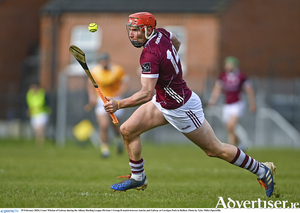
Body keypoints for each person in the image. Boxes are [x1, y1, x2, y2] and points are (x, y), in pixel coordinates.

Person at [103, 12, 276, 197]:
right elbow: (176, 42)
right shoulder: (162, 33)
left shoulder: (149, 55)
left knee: (214, 149)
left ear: (147, 30)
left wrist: (118, 104)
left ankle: (261, 169)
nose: (131, 34)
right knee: (127, 130)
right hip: (163, 102)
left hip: (182, 108)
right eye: (130, 30)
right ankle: (138, 177)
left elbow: (146, 93)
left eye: (136, 30)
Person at [84, 53, 129, 158]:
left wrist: (120, 93)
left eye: (105, 60)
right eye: (102, 61)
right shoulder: (95, 71)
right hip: (101, 100)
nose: (104, 63)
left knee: (115, 125)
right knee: (103, 125)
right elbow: (90, 85)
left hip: (115, 99)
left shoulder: (117, 69)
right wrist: (92, 97)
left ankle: (118, 140)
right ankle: (105, 150)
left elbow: (125, 82)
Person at [208, 56, 256, 150]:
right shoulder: (223, 75)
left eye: (230, 64)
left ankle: (232, 148)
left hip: (237, 104)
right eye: (227, 64)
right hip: (226, 105)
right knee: (229, 129)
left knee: (231, 125)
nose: (228, 66)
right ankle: (238, 146)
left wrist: (252, 103)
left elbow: (249, 90)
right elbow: (217, 89)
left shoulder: (241, 76)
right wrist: (212, 100)